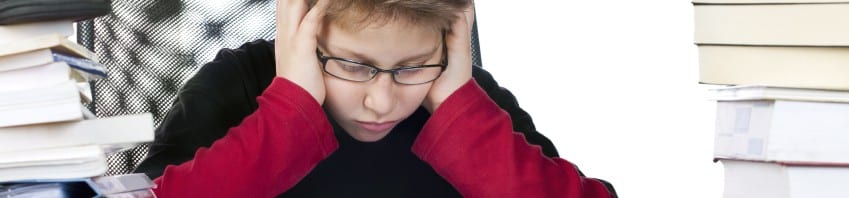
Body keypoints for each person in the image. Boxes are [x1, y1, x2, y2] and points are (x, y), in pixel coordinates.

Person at [136, 0, 617, 197]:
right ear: (300, 33)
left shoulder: (461, 98)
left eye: (412, 67)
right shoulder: (236, 83)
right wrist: (290, 110)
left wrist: (463, 115)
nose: (381, 102)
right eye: (352, 64)